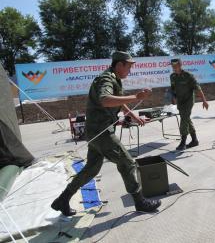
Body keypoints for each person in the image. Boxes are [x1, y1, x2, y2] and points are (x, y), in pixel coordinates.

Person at [51, 51, 161, 216]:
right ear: (119, 65)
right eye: (128, 67)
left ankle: (62, 200)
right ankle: (140, 202)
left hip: (96, 130)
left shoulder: (114, 79)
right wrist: (136, 96)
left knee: (91, 169)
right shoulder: (106, 79)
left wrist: (134, 116)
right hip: (101, 132)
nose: (129, 71)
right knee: (127, 162)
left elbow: (118, 101)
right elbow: (105, 100)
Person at [170, 58, 209, 151]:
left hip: (189, 101)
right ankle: (194, 140)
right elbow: (173, 88)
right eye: (172, 66)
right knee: (186, 118)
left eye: (176, 66)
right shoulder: (172, 76)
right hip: (180, 101)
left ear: (180, 65)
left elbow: (198, 88)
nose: (174, 67)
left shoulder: (188, 76)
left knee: (184, 119)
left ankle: (183, 142)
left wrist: (204, 100)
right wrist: (173, 98)